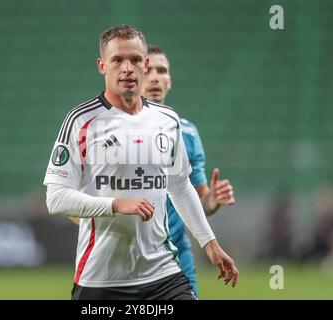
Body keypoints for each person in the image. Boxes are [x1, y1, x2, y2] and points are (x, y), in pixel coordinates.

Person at [44, 24, 238, 300]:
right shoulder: (81, 121)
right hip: (101, 279)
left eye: (135, 60)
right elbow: (55, 198)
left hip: (163, 274)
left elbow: (180, 187)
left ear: (144, 64)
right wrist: (116, 205)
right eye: (117, 60)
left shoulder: (167, 120)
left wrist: (210, 243)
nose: (127, 68)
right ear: (102, 66)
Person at [141, 44, 236, 297]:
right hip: (130, 257)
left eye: (162, 71)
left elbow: (197, 200)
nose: (155, 77)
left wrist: (212, 200)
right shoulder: (114, 130)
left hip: (176, 256)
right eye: (148, 70)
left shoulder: (187, 133)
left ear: (169, 81)